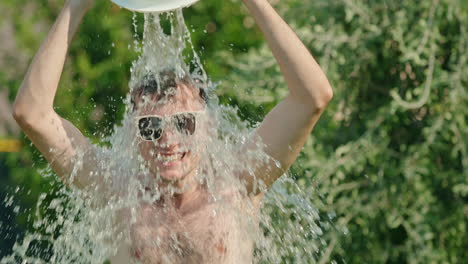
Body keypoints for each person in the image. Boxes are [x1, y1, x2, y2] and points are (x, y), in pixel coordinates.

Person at [12, 0, 333, 263]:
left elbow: (313, 97)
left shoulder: (240, 180)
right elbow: (33, 114)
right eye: (149, 127)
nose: (168, 139)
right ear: (133, 134)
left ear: (208, 126)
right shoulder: (114, 191)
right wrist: (77, 5)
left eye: (183, 122)